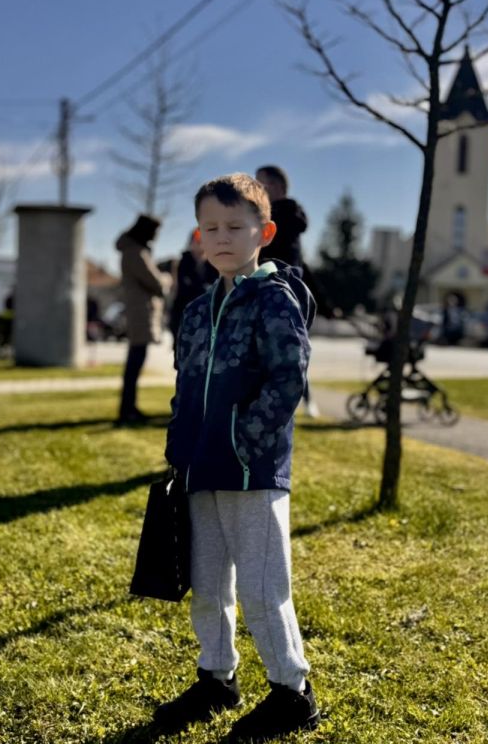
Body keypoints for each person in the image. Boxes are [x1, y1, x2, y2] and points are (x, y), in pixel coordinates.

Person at [157, 173, 320, 741]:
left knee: (261, 584)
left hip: (253, 470)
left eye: (235, 226)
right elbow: (185, 383)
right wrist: (180, 445)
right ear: (198, 236)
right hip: (201, 467)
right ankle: (216, 677)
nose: (221, 237)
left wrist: (245, 438)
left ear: (265, 231)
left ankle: (291, 691)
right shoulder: (199, 309)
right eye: (210, 227)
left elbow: (288, 378)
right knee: (208, 582)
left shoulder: (275, 300)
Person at [256, 164, 319, 418]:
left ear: (277, 187)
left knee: (291, 353)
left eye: (261, 184)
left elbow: (300, 268)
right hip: (266, 294)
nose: (256, 189)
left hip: (283, 297)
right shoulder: (272, 220)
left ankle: (301, 400)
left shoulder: (283, 221)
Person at [115, 214, 170, 424]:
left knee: (134, 364)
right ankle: (127, 409)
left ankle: (129, 407)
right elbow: (156, 282)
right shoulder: (135, 252)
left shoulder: (134, 250)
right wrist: (167, 277)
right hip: (141, 313)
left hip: (140, 311)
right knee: (134, 364)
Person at [168, 228, 217, 349]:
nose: (200, 244)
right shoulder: (183, 262)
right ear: (190, 243)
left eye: (203, 241)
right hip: (183, 315)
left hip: (206, 317)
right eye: (197, 240)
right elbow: (185, 288)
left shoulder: (213, 263)